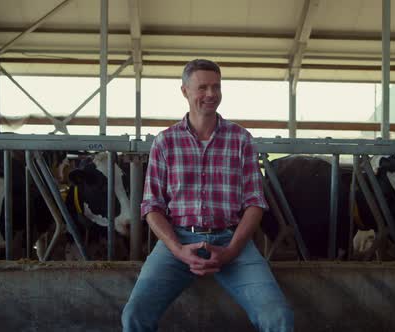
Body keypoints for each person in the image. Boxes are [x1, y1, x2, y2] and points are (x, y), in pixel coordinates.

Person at [121, 59, 294, 331]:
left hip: (231, 239)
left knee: (279, 317)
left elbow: (254, 203)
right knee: (134, 315)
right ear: (185, 91)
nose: (211, 94)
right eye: (202, 87)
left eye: (216, 87)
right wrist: (178, 250)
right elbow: (151, 205)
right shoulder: (165, 141)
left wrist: (231, 251)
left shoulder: (241, 139)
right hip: (178, 239)